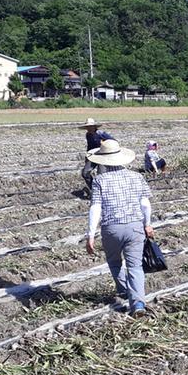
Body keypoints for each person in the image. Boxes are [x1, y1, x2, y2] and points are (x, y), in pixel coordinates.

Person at [85, 139, 155, 317]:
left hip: (111, 229)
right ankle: (138, 303)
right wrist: (147, 224)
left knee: (115, 262)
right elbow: (145, 204)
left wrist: (90, 235)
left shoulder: (99, 180)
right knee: (135, 267)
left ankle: (124, 289)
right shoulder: (136, 177)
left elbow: (96, 208)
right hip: (135, 227)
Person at [79, 118, 114, 195]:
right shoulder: (88, 135)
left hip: (103, 156)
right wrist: (87, 156)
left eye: (90, 126)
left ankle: (104, 192)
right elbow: (89, 146)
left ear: (94, 127)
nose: (89, 128)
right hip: (93, 155)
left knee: (101, 175)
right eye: (87, 127)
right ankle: (94, 189)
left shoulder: (101, 133)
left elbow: (113, 141)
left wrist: (104, 144)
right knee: (85, 173)